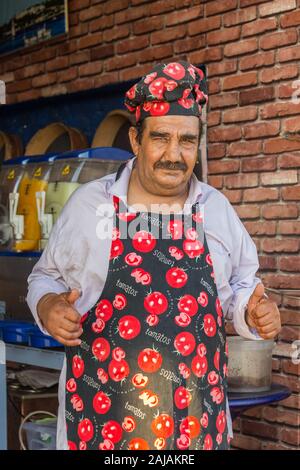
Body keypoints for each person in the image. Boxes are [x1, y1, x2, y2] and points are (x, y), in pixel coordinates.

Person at [27, 61, 281, 451]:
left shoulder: (215, 208)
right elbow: (45, 278)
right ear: (135, 139)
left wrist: (252, 310)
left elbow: (241, 287)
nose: (174, 155)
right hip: (102, 426)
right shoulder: (89, 207)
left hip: (197, 425)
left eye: (187, 141)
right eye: (161, 137)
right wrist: (47, 306)